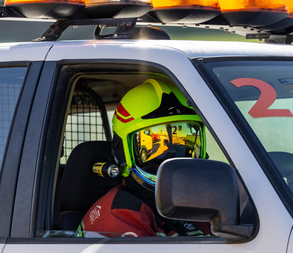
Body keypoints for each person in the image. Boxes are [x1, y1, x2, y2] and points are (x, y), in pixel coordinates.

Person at [78, 77, 211, 237]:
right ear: (123, 151)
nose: (172, 152)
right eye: (155, 140)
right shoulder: (120, 216)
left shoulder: (192, 202)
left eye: (181, 138)